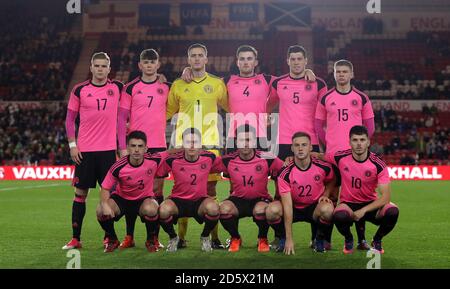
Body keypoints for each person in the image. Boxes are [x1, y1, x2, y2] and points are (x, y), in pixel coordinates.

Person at [267, 45, 330, 249]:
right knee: (280, 189)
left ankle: (317, 238)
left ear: (305, 61)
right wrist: (267, 116)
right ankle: (280, 236)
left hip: (309, 140)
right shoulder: (278, 82)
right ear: (288, 61)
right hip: (285, 142)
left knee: (315, 187)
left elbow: (326, 111)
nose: (296, 62)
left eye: (299, 59)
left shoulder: (318, 83)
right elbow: (268, 103)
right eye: (292, 59)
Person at [166, 43, 228, 249]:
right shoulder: (177, 84)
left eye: (201, 55)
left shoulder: (218, 83)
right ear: (188, 59)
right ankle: (181, 238)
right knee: (183, 190)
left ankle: (214, 238)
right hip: (183, 146)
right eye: (193, 55)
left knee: (210, 191)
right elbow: (167, 112)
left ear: (206, 59)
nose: (197, 59)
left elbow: (232, 107)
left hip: (210, 145)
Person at [63, 52, 123, 250]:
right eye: (96, 66)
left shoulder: (118, 87)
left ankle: (109, 236)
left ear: (108, 68)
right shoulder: (79, 90)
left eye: (103, 66)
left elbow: (139, 87)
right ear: (91, 67)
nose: (99, 69)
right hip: (85, 152)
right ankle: (75, 238)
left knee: (108, 197)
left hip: (108, 152)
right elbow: (70, 120)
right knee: (80, 193)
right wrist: (73, 145)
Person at [314, 59, 375, 249]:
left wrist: (360, 147)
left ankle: (361, 240)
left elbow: (370, 127)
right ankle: (326, 239)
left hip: (355, 156)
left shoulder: (362, 98)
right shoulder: (325, 97)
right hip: (332, 156)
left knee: (357, 197)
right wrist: (330, 144)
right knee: (330, 197)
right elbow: (317, 126)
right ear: (334, 74)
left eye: (344, 72)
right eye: (338, 71)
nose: (341, 74)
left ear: (351, 74)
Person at [117, 49, 170, 249]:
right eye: (145, 62)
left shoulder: (167, 87)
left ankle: (153, 237)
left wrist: (186, 74)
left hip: (158, 146)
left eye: (152, 62)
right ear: (140, 65)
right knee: (130, 191)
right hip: (135, 147)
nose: (149, 65)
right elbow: (121, 119)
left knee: (157, 190)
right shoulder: (130, 88)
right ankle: (129, 236)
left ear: (158, 64)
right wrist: (123, 147)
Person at [333, 125, 399, 254]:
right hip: (348, 204)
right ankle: (349, 238)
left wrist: (363, 210)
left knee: (392, 211)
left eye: (362, 140)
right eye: (355, 140)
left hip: (370, 204)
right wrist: (292, 158)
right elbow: (320, 156)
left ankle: (377, 240)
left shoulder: (378, 164)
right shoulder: (339, 157)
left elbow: (386, 197)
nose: (359, 144)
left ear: (368, 142)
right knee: (338, 215)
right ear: (349, 142)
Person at [266, 132, 336, 254]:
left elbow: (332, 179)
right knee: (271, 211)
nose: (300, 148)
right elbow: (287, 206)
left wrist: (326, 194)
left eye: (304, 145)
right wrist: (289, 239)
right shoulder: (285, 173)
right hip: (293, 207)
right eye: (297, 145)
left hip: (314, 207)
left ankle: (318, 238)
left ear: (310, 147)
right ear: (292, 148)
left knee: (328, 209)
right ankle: (282, 237)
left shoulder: (323, 167)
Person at [217, 124, 284, 252]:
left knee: (261, 210)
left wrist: (278, 195)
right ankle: (235, 238)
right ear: (236, 142)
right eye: (242, 140)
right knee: (223, 209)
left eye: (249, 140)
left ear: (254, 141)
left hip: (260, 199)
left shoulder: (267, 158)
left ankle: (262, 238)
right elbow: (206, 165)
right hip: (237, 200)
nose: (245, 144)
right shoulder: (228, 160)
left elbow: (285, 170)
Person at [96, 131, 164, 253]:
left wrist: (189, 148)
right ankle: (112, 239)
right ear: (127, 148)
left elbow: (170, 154)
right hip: (122, 200)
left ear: (146, 148)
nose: (136, 150)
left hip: (143, 200)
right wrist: (105, 205)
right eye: (133, 146)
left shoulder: (154, 160)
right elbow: (105, 188)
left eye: (140, 146)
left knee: (153, 209)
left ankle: (150, 240)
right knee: (100, 210)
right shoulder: (118, 166)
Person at [157, 128, 222, 252]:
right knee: (163, 210)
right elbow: (155, 170)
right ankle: (173, 237)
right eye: (188, 142)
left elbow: (229, 165)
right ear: (183, 144)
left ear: (200, 143)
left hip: (200, 201)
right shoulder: (173, 160)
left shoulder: (209, 157)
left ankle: (204, 237)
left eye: (195, 142)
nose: (192, 146)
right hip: (178, 200)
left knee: (214, 208)